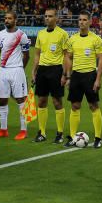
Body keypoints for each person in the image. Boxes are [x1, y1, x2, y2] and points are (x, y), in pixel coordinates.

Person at [63, 12, 102, 148]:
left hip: (90, 75)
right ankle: (73, 137)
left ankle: (98, 138)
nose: (82, 22)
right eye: (80, 19)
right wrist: (68, 76)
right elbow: (68, 57)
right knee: (75, 106)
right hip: (76, 75)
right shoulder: (72, 39)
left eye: (84, 20)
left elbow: (101, 60)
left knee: (93, 106)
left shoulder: (96, 39)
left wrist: (98, 79)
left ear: (89, 22)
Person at [31, 8, 69, 143]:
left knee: (57, 101)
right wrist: (34, 71)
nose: (47, 18)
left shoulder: (63, 34)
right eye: (46, 16)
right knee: (41, 101)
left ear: (56, 18)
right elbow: (36, 54)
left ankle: (60, 133)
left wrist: (65, 74)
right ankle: (41, 132)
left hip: (56, 70)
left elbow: (66, 56)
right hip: (42, 70)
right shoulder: (40, 33)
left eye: (50, 16)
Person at [0, 11, 31, 140]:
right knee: (2, 100)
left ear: (15, 20)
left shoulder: (22, 35)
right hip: (3, 70)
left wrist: (20, 68)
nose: (7, 20)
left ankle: (23, 130)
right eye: (5, 18)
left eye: (9, 18)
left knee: (21, 100)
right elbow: (1, 50)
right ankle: (3, 129)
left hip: (17, 70)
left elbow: (27, 55)